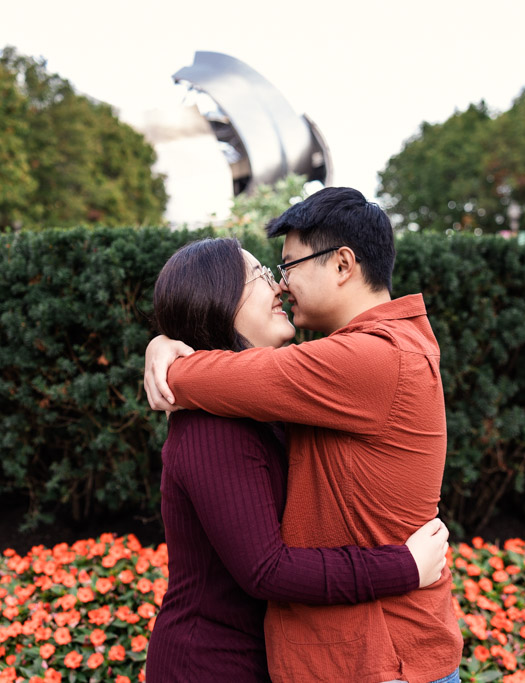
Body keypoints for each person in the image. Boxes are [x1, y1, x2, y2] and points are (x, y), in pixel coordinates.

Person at [145, 187, 463, 683]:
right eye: (266, 273)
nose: (282, 284)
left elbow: (238, 377)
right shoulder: (257, 407)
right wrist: (168, 341)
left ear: (341, 265)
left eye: (288, 265)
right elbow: (264, 567)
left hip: (384, 658)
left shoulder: (370, 358)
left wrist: (169, 360)